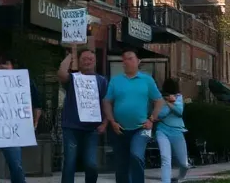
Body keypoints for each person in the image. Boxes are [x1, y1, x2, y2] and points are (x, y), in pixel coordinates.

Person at [0, 48, 44, 183]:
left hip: (11, 132)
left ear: (13, 66)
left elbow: (37, 104)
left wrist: (34, 124)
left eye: (6, 63)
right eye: (0, 64)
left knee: (16, 165)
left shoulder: (24, 82)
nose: (2, 67)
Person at [102, 45, 164, 183]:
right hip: (119, 129)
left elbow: (159, 101)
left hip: (140, 128)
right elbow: (107, 102)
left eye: (130, 59)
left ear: (138, 61)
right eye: (124, 59)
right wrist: (112, 121)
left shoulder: (147, 80)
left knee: (136, 156)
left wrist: (151, 119)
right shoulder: (116, 81)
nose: (126, 62)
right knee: (121, 164)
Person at [57, 41, 108, 183]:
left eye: (90, 59)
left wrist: (105, 123)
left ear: (95, 61)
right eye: (84, 59)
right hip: (71, 128)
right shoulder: (73, 78)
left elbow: (106, 103)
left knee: (91, 164)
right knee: (70, 163)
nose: (87, 62)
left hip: (92, 129)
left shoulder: (102, 81)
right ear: (78, 62)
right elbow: (61, 74)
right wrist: (71, 54)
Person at [155, 77, 190, 183]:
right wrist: (168, 102)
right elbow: (161, 114)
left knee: (184, 163)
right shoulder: (161, 99)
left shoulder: (179, 97)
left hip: (177, 131)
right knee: (165, 158)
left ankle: (180, 177)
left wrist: (170, 103)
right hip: (162, 130)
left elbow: (179, 112)